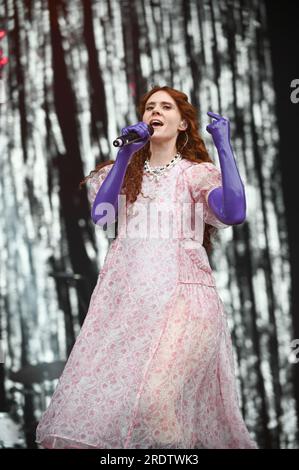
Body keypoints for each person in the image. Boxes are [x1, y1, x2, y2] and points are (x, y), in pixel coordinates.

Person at [35, 85, 258, 449]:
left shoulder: (194, 174)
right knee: (125, 412)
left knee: (155, 402)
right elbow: (102, 216)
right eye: (149, 107)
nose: (155, 111)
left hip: (184, 300)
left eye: (166, 107)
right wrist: (126, 155)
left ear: (184, 124)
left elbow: (234, 212)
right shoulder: (121, 171)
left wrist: (223, 145)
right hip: (129, 306)